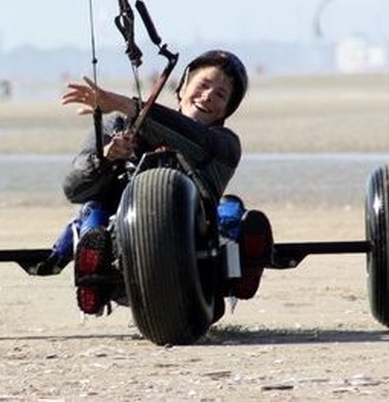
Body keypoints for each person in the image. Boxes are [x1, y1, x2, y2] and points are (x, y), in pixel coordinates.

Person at [30, 49, 273, 315]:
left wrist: (127, 105)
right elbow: (73, 188)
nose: (207, 97)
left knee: (230, 206)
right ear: (182, 88)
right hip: (124, 250)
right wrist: (106, 157)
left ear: (226, 110)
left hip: (197, 248)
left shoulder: (224, 144)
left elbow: (194, 139)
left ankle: (236, 270)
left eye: (220, 95)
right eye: (203, 85)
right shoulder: (119, 125)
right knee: (92, 208)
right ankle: (94, 272)